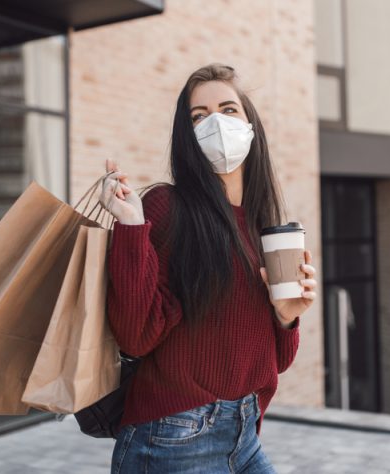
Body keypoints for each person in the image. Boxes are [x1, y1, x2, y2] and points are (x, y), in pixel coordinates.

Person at [98, 63, 318, 473]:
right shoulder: (167, 207)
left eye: (228, 109)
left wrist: (287, 320)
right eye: (199, 116)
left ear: (251, 124)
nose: (215, 122)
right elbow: (135, 337)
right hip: (173, 438)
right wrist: (130, 225)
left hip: (245, 432)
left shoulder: (258, 225)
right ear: (188, 135)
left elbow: (276, 362)